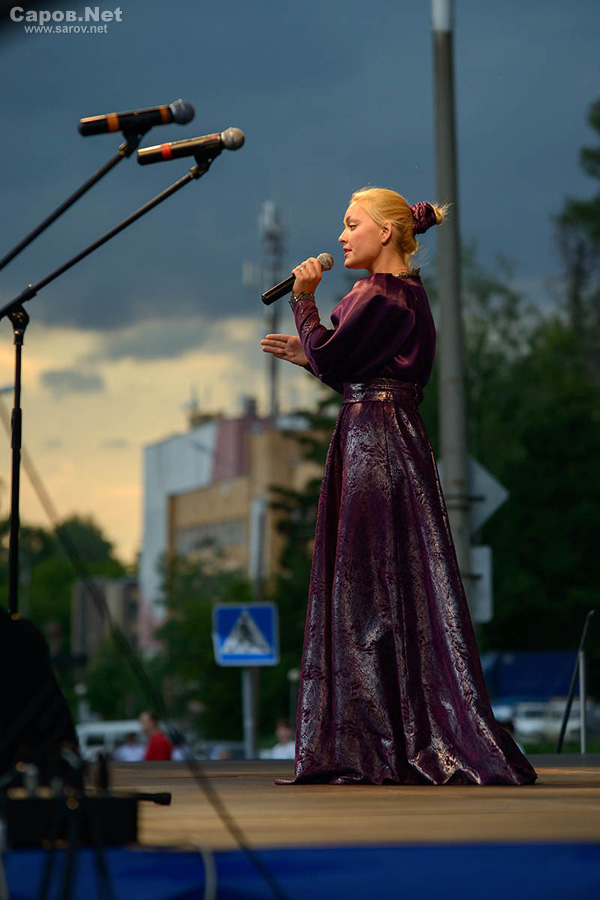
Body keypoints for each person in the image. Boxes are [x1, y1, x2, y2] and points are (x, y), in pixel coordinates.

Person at [260, 187, 537, 786]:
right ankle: (394, 734)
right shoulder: (403, 293)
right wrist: (314, 357)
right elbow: (359, 370)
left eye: (351, 223)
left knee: (365, 588)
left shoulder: (379, 293)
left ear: (385, 232)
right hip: (390, 436)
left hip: (374, 444)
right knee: (393, 584)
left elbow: (337, 360)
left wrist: (304, 304)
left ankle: (372, 743)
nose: (341, 236)